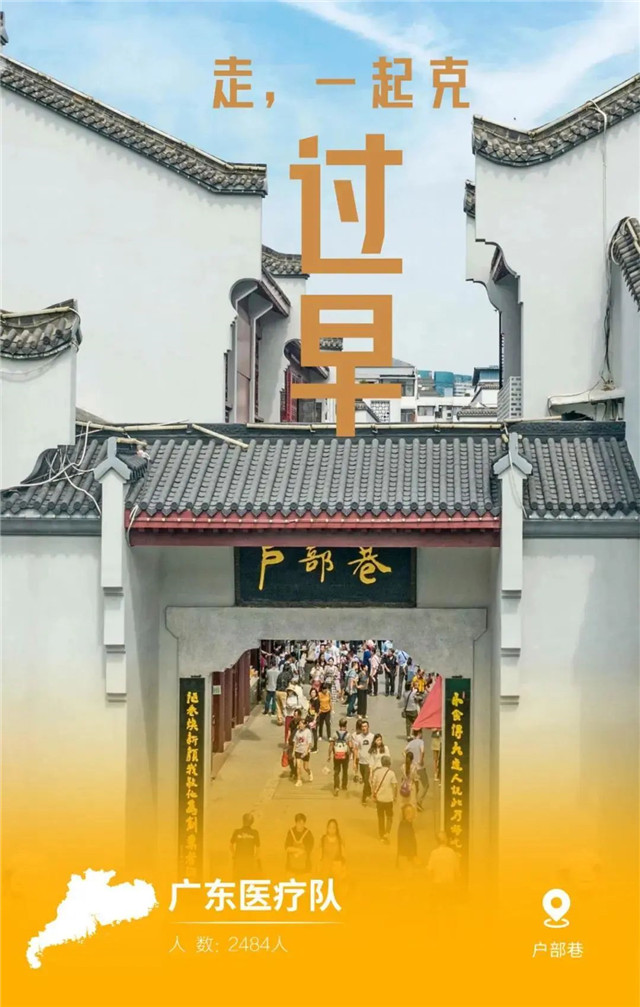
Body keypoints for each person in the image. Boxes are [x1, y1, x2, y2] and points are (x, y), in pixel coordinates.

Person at [426, 832, 461, 902]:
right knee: (448, 904)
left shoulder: (434, 853)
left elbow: (429, 870)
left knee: (439, 904)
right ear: (446, 840)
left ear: (437, 841)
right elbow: (457, 871)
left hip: (437, 884)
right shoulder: (451, 852)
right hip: (449, 884)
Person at [371, 754, 397, 843]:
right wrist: (395, 796)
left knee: (381, 817)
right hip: (389, 799)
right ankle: (387, 833)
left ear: (382, 763)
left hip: (380, 799)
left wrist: (373, 794)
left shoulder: (377, 772)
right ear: (389, 763)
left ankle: (381, 835)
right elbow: (395, 786)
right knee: (389, 817)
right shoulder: (391, 773)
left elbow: (373, 784)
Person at [230, 813, 261, 880]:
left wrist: (234, 855)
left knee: (240, 877)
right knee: (245, 877)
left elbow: (231, 845)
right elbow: (258, 847)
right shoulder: (254, 832)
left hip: (243, 859)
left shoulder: (237, 832)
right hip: (245, 859)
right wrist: (255, 858)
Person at [405, 729, 429, 809]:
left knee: (416, 787)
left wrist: (409, 760)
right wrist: (421, 761)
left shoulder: (410, 743)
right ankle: (419, 801)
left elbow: (404, 751)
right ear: (419, 733)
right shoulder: (421, 742)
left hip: (412, 768)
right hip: (420, 768)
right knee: (426, 785)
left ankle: (413, 802)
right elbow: (422, 751)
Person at [353, 719, 375, 805]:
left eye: (365, 726)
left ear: (368, 727)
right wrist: (354, 762)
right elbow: (355, 749)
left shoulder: (372, 737)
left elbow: (375, 749)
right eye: (362, 726)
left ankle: (364, 797)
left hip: (369, 762)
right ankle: (369, 792)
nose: (364, 728)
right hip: (361, 762)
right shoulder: (358, 737)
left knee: (365, 779)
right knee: (366, 780)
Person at [328, 718, 352, 795]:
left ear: (339, 725)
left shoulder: (335, 734)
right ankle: (344, 786)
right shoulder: (348, 735)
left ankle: (336, 787)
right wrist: (350, 755)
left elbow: (331, 745)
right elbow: (350, 746)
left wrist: (329, 755)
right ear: (346, 725)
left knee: (336, 772)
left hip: (336, 756)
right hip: (345, 756)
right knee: (345, 771)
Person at [293, 717, 314, 787]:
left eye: (301, 724)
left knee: (305, 767)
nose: (300, 725)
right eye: (299, 724)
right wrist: (293, 751)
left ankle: (309, 772)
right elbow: (295, 742)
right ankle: (299, 780)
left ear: (305, 725)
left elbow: (309, 743)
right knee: (298, 766)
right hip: (298, 751)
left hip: (305, 752)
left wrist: (306, 751)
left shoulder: (308, 732)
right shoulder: (297, 732)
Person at [397, 804, 418, 869]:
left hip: (406, 856)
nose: (412, 814)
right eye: (410, 813)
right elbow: (408, 842)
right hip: (406, 857)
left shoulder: (405, 824)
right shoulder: (406, 826)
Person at [286, 709, 303, 781]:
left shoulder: (302, 723)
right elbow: (289, 731)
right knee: (289, 757)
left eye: (296, 715)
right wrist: (287, 740)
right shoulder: (292, 722)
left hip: (299, 743)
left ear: (299, 716)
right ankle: (293, 770)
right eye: (294, 715)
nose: (294, 716)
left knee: (297, 758)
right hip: (291, 741)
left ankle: (295, 772)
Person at [275, 661, 294, 725]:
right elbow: (290, 683)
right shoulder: (288, 675)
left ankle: (280, 720)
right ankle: (286, 719)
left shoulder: (280, 674)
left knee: (278, 707)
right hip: (284, 692)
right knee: (284, 707)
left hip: (277, 691)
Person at [307, 687, 320, 752]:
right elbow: (310, 709)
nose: (313, 694)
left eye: (314, 692)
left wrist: (314, 720)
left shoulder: (317, 701)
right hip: (309, 717)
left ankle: (315, 748)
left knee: (314, 733)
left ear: (316, 693)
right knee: (308, 732)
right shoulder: (311, 700)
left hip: (314, 718)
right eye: (312, 692)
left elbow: (317, 712)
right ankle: (307, 746)